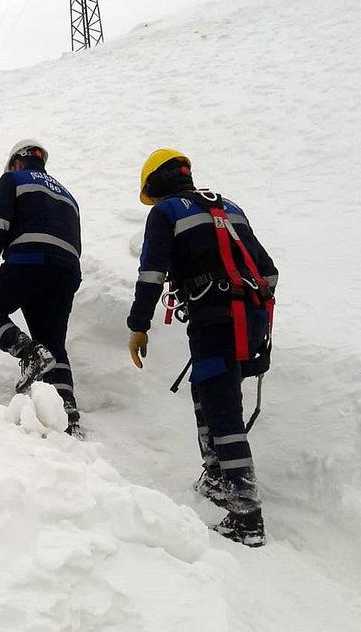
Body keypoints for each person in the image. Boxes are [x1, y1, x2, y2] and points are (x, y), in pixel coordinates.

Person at [126, 148, 278, 547]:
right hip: (251, 322)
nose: (154, 203)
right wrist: (252, 315)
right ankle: (216, 478)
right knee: (208, 390)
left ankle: (247, 518)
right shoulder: (230, 208)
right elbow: (269, 271)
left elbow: (151, 274)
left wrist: (138, 325)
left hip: (215, 319)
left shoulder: (166, 214)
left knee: (222, 407)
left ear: (156, 184)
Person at [0, 139, 83, 435]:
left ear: (17, 162)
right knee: (54, 342)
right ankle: (67, 414)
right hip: (66, 272)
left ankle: (29, 353)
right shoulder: (68, 195)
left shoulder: (13, 179)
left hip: (29, 262)